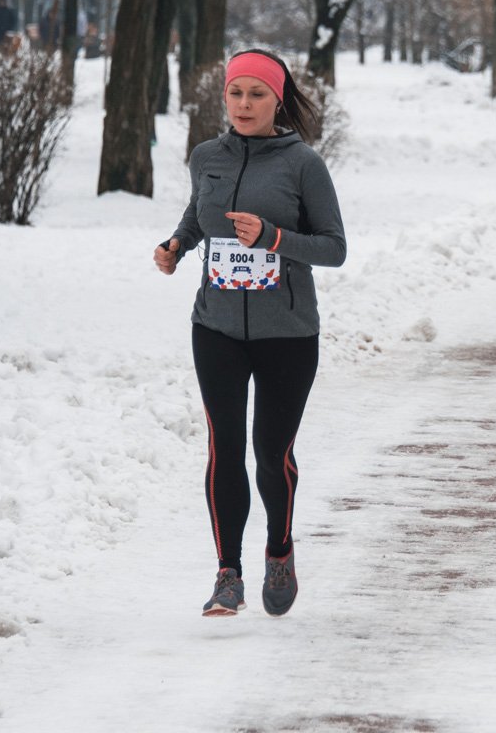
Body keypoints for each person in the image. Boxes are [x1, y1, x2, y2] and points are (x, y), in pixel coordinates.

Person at [153, 49, 347, 617]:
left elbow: (334, 247)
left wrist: (274, 238)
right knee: (224, 447)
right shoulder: (206, 157)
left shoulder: (303, 164)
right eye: (236, 93)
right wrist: (176, 246)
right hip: (214, 326)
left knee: (270, 452)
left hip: (286, 332)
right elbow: (199, 213)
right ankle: (227, 573)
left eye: (256, 94)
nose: (243, 104)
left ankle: (279, 550)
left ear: (277, 100)